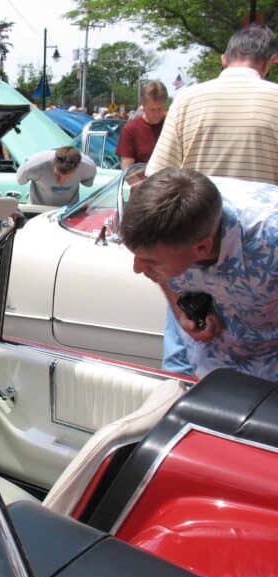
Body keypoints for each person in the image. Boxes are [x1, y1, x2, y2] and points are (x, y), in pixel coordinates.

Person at [120, 167, 278, 380]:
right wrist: (180, 307)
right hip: (202, 353)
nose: (136, 268)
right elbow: (161, 270)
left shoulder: (269, 237)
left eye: (150, 261)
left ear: (202, 248)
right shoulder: (171, 219)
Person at [146, 24, 278, 183]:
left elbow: (159, 175)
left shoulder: (186, 99)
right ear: (268, 63)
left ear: (224, 60)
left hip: (199, 207)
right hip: (263, 208)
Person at [16, 147, 97, 206]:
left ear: (77, 168)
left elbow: (88, 184)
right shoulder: (34, 166)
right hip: (37, 210)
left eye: (68, 176)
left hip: (68, 214)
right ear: (53, 164)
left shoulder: (88, 167)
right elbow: (20, 180)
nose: (61, 182)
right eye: (57, 175)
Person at [115, 81, 168, 170]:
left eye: (160, 109)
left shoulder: (172, 126)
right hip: (143, 183)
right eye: (152, 110)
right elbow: (127, 170)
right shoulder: (130, 130)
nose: (157, 114)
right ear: (143, 106)